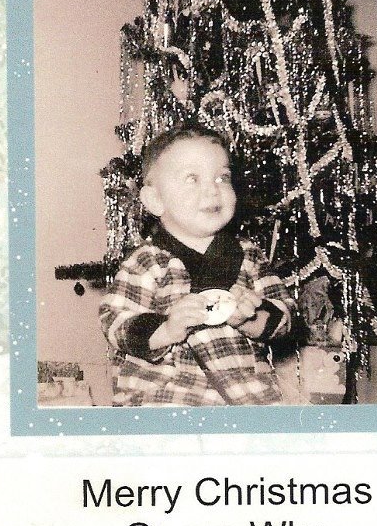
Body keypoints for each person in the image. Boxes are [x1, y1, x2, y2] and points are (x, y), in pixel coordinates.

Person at [99, 123, 295, 406]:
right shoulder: (146, 261)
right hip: (168, 396)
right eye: (192, 178)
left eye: (222, 177)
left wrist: (251, 318)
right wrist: (166, 330)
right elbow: (114, 319)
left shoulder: (248, 255)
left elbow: (285, 314)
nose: (213, 190)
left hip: (245, 395)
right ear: (155, 200)